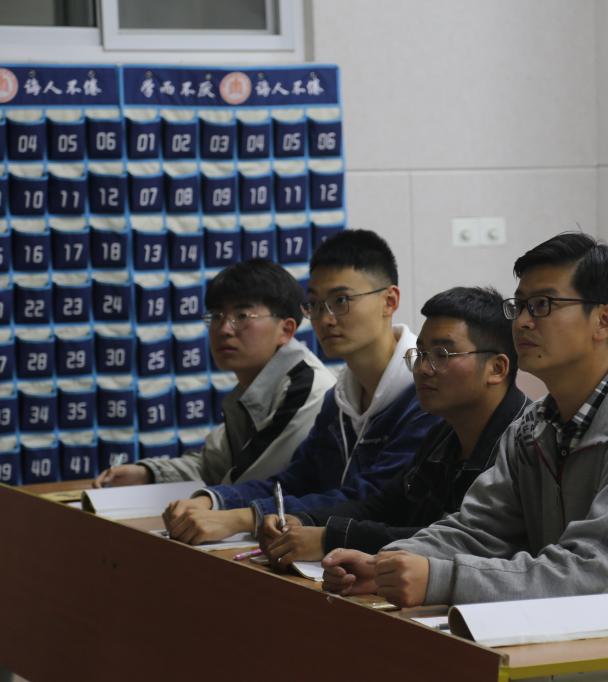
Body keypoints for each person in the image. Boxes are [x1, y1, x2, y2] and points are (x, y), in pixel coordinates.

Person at [319, 233, 608, 682]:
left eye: (542, 305)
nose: (522, 322)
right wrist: (388, 562)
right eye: (519, 305)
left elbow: (583, 571)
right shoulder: (534, 426)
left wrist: (438, 577)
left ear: (603, 320)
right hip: (579, 655)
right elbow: (478, 529)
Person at [162, 229, 440, 544]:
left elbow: (372, 499)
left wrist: (243, 517)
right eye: (315, 304)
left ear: (389, 301)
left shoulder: (426, 391)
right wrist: (213, 500)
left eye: (341, 301)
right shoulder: (339, 397)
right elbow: (297, 480)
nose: (325, 318)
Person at [257, 286, 530, 567]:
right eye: (420, 353)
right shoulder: (443, 433)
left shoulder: (525, 443)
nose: (422, 369)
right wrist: (304, 521)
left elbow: (457, 540)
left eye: (442, 354)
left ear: (497, 369)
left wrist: (330, 538)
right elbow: (385, 505)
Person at [92, 260, 336, 488]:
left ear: (286, 329)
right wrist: (148, 474)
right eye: (217, 316)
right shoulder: (252, 388)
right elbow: (212, 466)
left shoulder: (307, 388)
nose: (224, 329)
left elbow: (252, 484)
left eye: (242, 316)